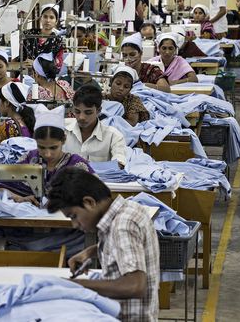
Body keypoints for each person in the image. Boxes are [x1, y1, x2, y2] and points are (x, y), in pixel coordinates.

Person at [46, 168, 159, 321]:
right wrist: (91, 251)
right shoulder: (127, 209)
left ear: (89, 202)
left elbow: (135, 286)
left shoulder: (122, 225)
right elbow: (127, 245)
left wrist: (73, 285)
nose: (74, 224)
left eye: (74, 216)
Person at [65, 85, 127, 165]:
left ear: (99, 111)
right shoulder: (62, 128)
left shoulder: (113, 136)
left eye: (88, 112)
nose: (81, 117)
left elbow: (119, 161)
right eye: (77, 111)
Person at [22, 4, 64, 68]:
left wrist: (36, 64)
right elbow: (19, 57)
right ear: (41, 18)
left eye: (51, 17)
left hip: (45, 76)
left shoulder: (57, 40)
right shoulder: (29, 34)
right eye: (45, 16)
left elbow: (57, 65)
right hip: (26, 74)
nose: (48, 20)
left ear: (56, 21)